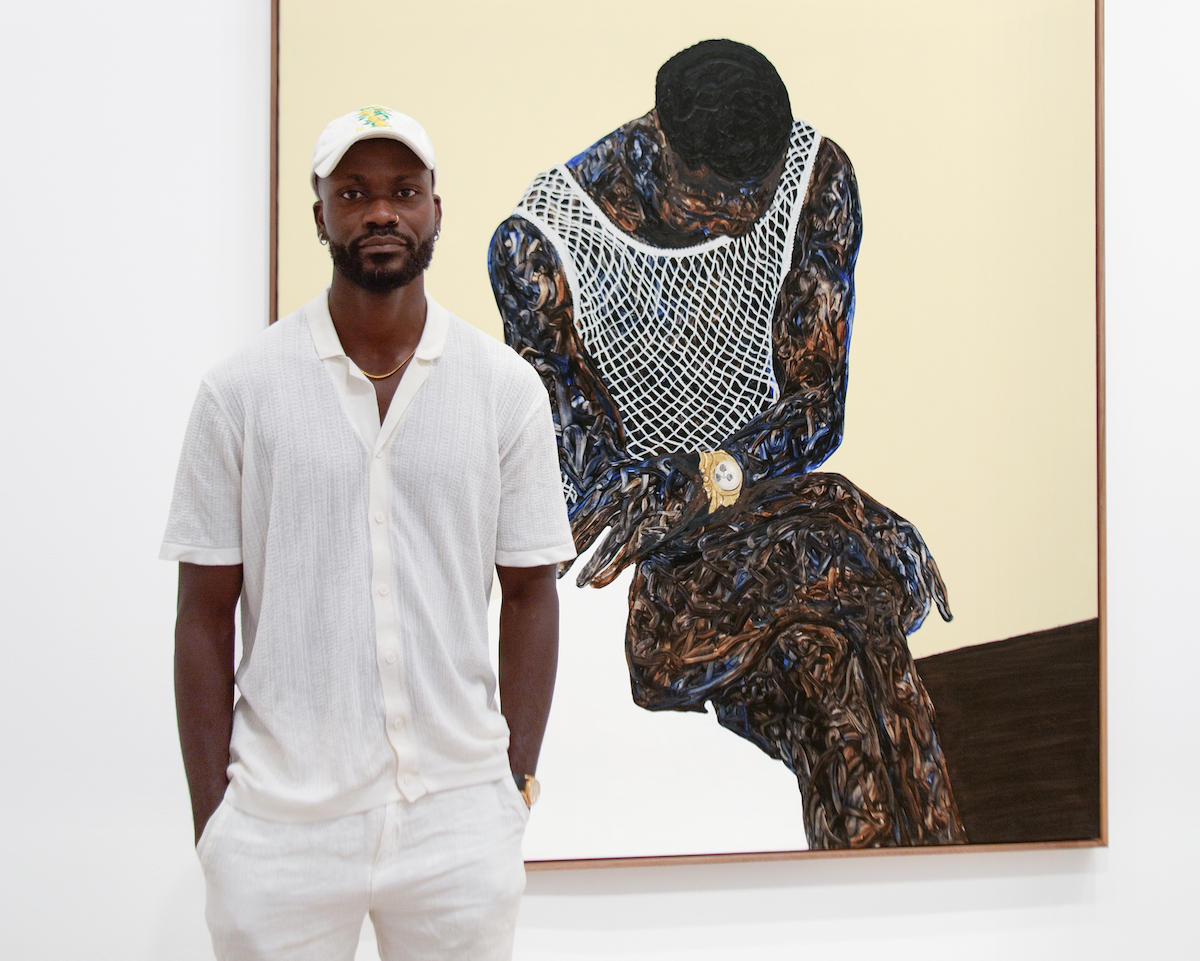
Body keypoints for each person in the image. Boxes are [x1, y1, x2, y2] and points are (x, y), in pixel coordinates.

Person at [489, 41, 965, 849]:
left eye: (762, 190)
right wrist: (826, 501)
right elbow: (602, 509)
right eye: (723, 196)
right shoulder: (541, 252)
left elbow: (816, 410)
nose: (749, 211)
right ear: (661, 145)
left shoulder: (816, 179)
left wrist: (712, 478)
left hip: (772, 546)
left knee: (834, 660)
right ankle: (931, 895)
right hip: (664, 589)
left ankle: (912, 897)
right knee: (845, 632)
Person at [163, 105, 575, 960]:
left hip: (459, 820)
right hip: (280, 824)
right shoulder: (239, 394)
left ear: (435, 208)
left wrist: (513, 785)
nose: (380, 212)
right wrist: (216, 823)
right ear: (320, 214)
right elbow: (203, 613)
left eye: (403, 191)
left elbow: (532, 589)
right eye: (353, 193)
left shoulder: (504, 392)